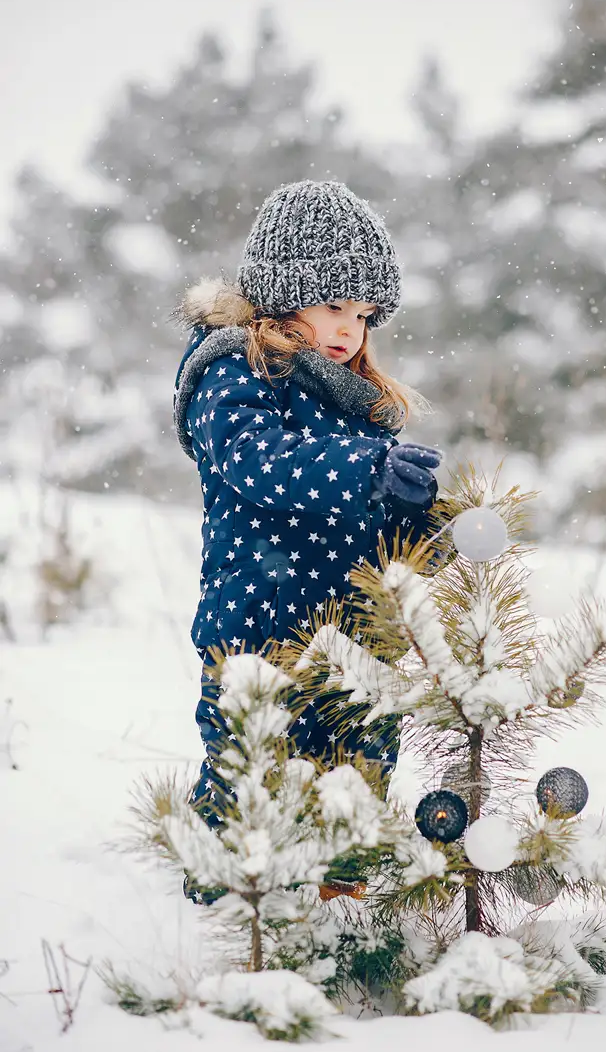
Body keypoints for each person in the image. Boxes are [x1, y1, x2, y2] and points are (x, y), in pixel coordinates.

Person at [173, 180, 444, 903]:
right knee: (251, 783)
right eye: (333, 307)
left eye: (364, 315)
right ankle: (228, 915)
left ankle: (344, 922)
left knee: (355, 792)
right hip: (260, 630)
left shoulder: (356, 403)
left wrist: (423, 527)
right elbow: (260, 462)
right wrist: (368, 470)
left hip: (356, 640)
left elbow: (367, 511)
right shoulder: (235, 370)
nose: (350, 330)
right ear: (282, 294)